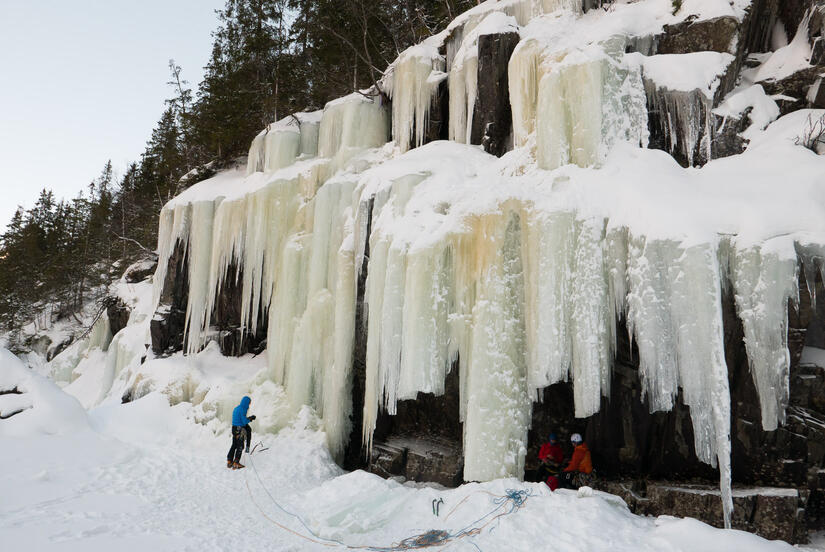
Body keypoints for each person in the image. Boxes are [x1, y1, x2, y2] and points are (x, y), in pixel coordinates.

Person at [227, 396, 256, 469]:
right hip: (239, 429)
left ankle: (229, 461)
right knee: (240, 446)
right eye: (249, 403)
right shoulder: (242, 409)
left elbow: (239, 419)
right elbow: (244, 422)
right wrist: (250, 418)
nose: (249, 405)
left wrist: (248, 419)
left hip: (234, 428)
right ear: (246, 403)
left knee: (234, 445)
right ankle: (236, 463)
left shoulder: (237, 408)